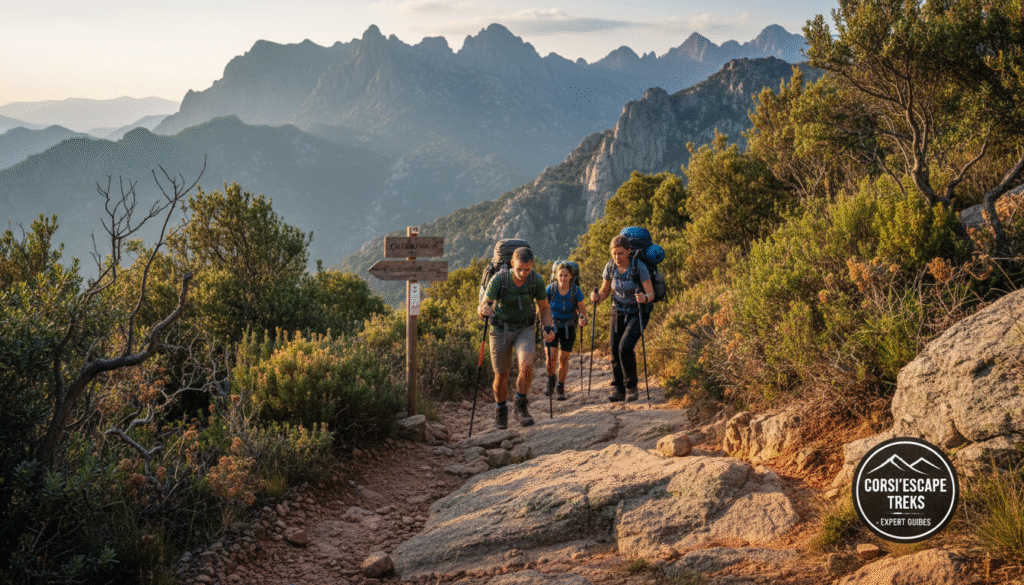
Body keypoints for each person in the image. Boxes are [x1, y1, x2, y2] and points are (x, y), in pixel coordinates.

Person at [478, 246, 556, 429]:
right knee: (501, 375)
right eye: (519, 269)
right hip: (500, 329)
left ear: (532, 265)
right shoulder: (499, 279)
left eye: (527, 269)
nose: (522, 274)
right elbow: (483, 306)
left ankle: (520, 405)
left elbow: (544, 308)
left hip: (524, 328)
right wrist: (483, 310)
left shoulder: (536, 280)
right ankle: (501, 409)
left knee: (526, 365)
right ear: (512, 263)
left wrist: (548, 326)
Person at [590, 235, 655, 402]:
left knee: (624, 347)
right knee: (614, 350)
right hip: (617, 311)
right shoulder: (610, 267)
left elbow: (651, 293)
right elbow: (605, 291)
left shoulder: (639, 266)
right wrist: (597, 297)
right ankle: (618, 389)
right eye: (614, 253)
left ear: (628, 251)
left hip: (638, 312)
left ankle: (631, 387)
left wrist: (644, 298)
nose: (617, 257)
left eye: (621, 253)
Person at [543, 262, 588, 401]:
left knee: (564, 359)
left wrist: (583, 318)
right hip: (551, 326)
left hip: (569, 328)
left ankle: (560, 387)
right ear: (556, 276)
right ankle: (551, 379)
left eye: (566, 275)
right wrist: (545, 325)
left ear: (571, 276)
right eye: (561, 275)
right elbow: (543, 308)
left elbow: (582, 310)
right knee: (551, 357)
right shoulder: (550, 289)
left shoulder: (575, 291)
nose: (563, 278)